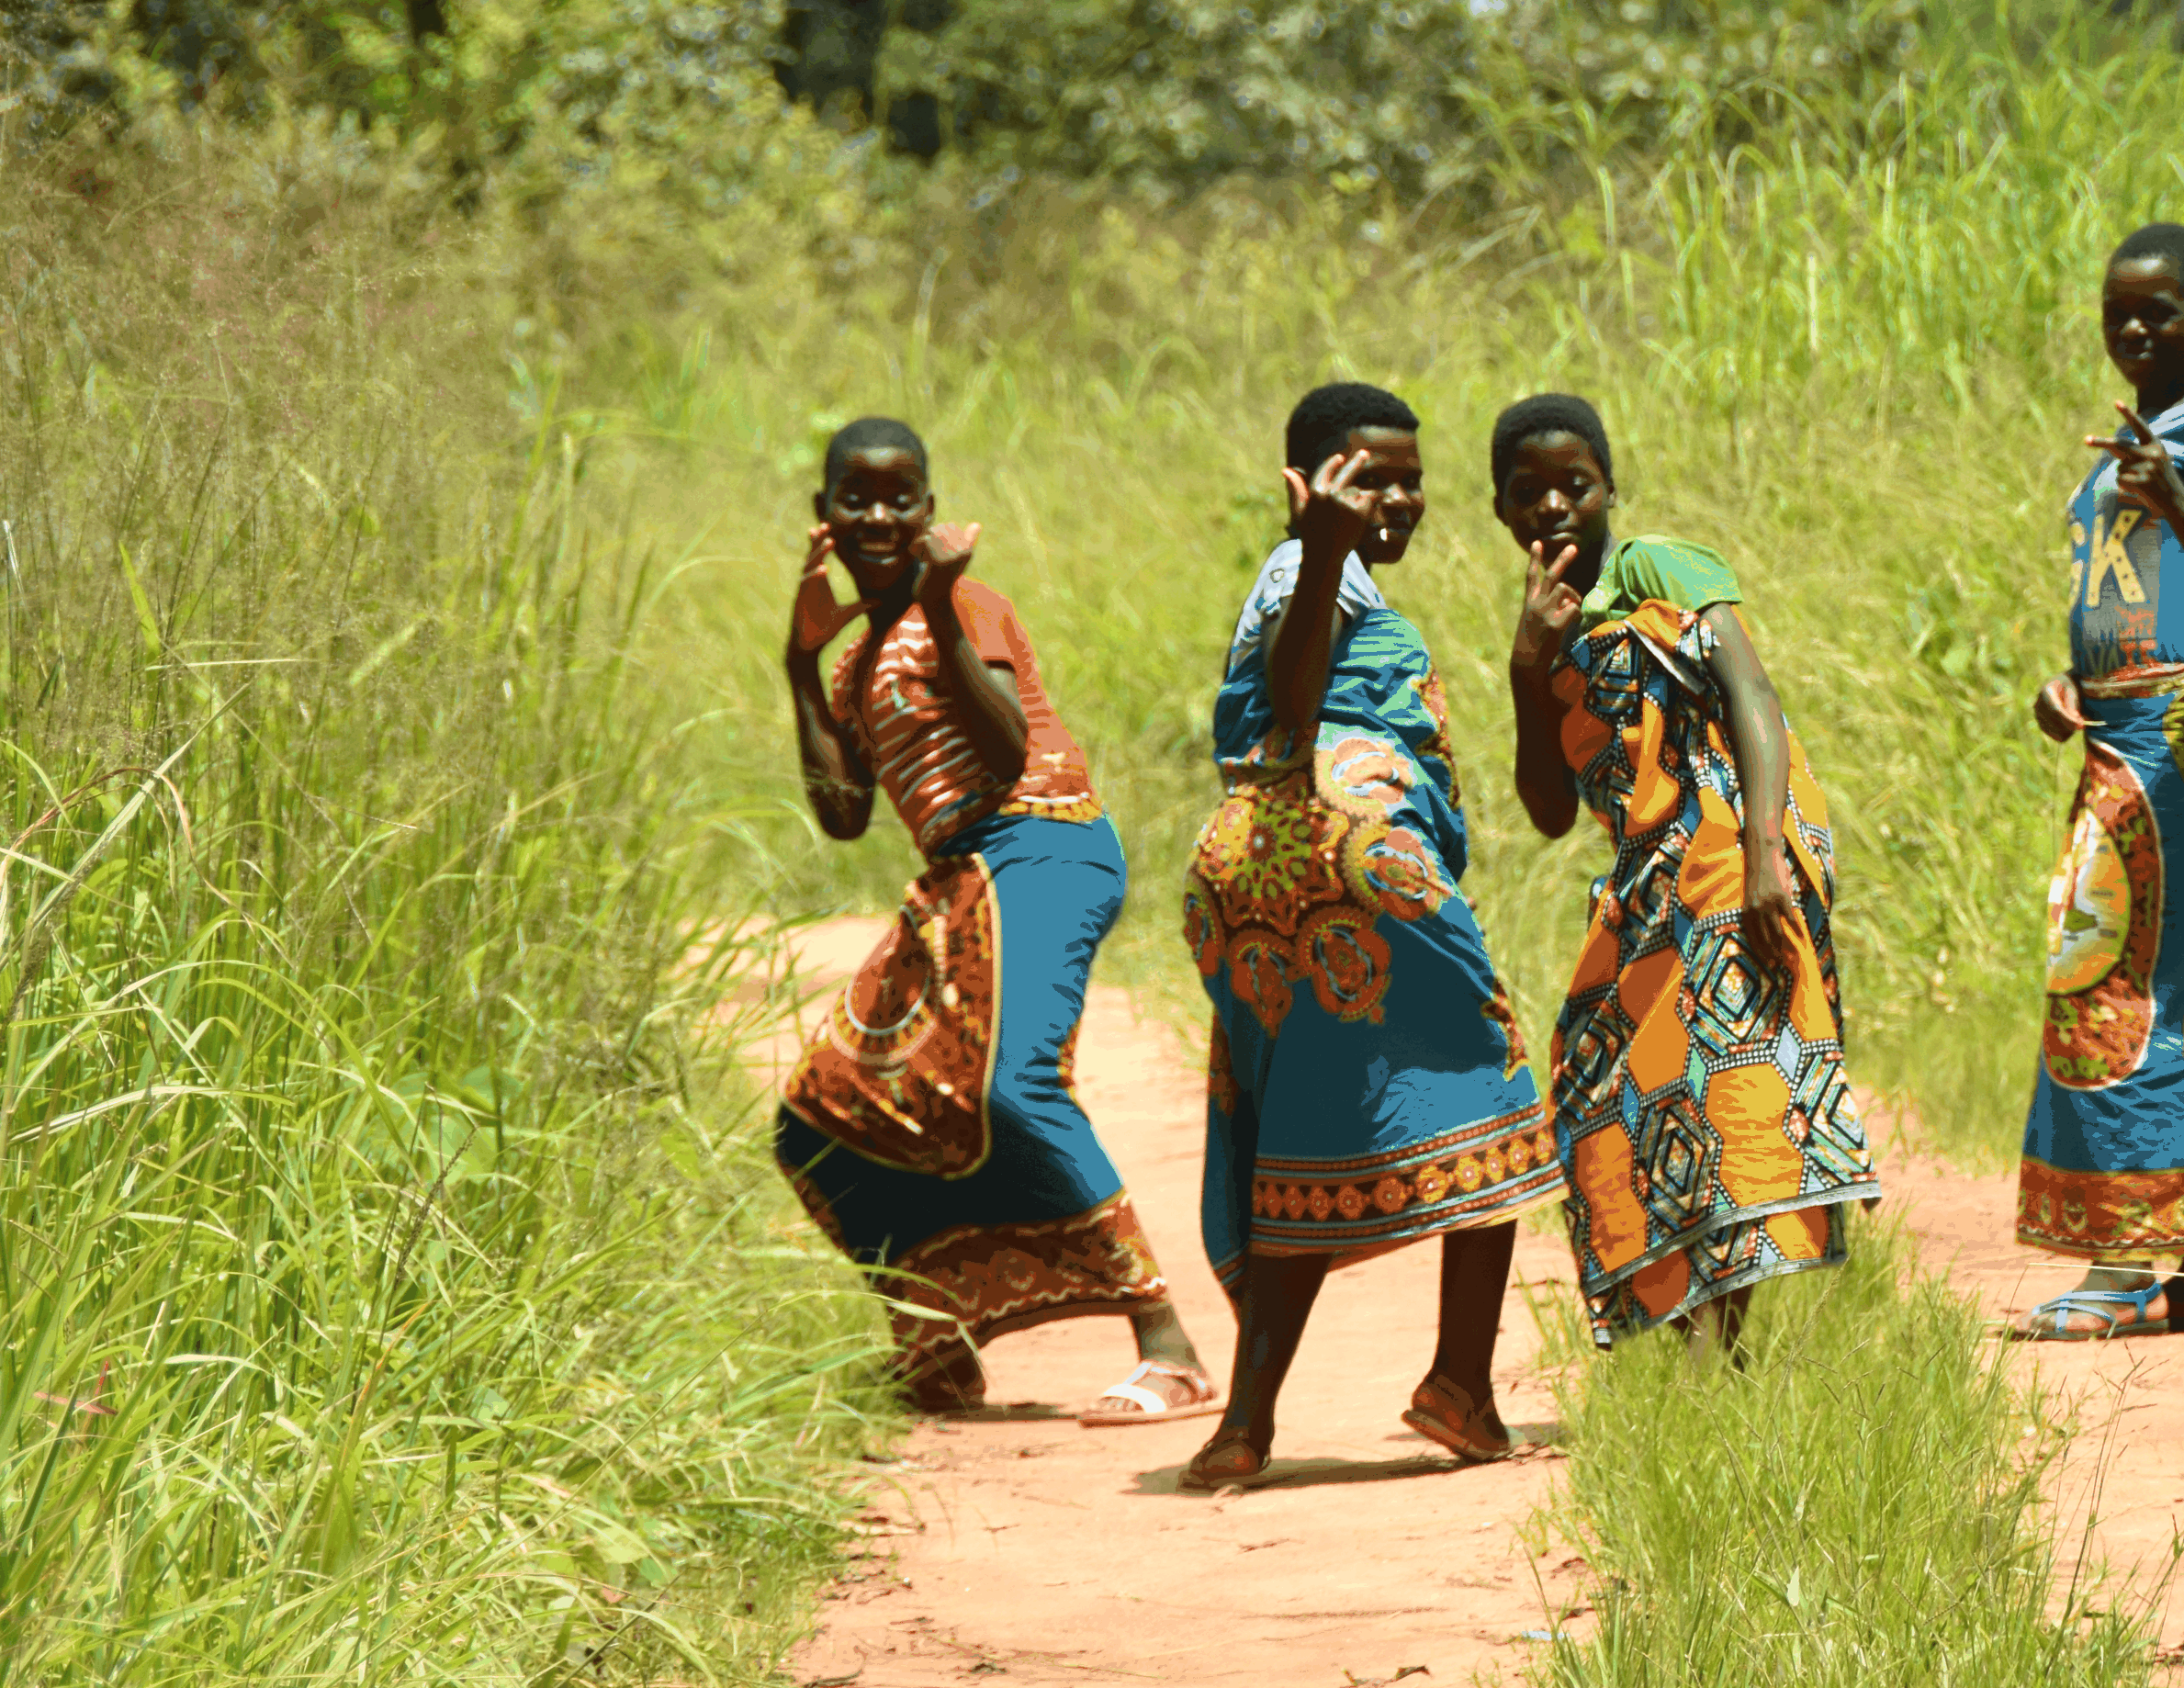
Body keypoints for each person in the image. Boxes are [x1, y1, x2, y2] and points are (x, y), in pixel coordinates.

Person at [773, 416, 1216, 1423]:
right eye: (858, 499)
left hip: (1042, 846)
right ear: (824, 520)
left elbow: (1010, 749)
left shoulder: (965, 604)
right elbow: (844, 815)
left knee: (1011, 1086)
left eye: (902, 498)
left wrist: (933, 599)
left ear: (931, 512)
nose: (880, 515)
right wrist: (801, 661)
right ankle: (936, 1335)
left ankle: (1169, 1345)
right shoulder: (852, 664)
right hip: (962, 876)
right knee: (822, 1115)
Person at [1179, 382, 1562, 1491]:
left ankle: (1243, 1427)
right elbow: (1297, 712)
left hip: (1247, 877)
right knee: (1491, 1094)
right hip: (1356, 870)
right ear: (1302, 486)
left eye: (1408, 478)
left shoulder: (1307, 578)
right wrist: (1319, 544)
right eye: (1364, 477)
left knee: (1298, 1129)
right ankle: (1461, 1385)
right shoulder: (1307, 573)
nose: (1393, 498)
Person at [1494, 392, 1878, 1348]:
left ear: (1608, 488)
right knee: (1600, 1078)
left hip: (1726, 840)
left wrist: (1760, 861)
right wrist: (1524, 670)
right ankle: (1698, 1329)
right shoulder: (1545, 627)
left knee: (1722, 1078)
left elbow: (1750, 692)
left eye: (1573, 486)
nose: (1552, 507)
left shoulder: (1654, 565)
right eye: (1527, 492)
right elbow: (1548, 813)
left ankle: (1718, 1341)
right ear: (1501, 512)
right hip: (1645, 870)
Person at [2010, 224, 2184, 1339]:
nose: (2133, 329)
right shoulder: (2121, 446)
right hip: (2122, 730)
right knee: (2177, 970)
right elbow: (2127, 602)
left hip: (2181, 735)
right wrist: (2066, 687)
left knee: (2112, 971)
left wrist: (2173, 496)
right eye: (2117, 310)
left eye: (2159, 310)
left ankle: (2123, 1261)